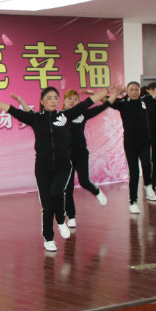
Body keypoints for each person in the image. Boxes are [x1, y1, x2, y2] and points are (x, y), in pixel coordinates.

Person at [0, 85, 116, 252]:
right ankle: (49, 238)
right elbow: (12, 110)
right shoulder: (36, 119)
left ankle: (61, 220)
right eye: (49, 98)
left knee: (57, 192)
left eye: (56, 98)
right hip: (43, 167)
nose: (53, 101)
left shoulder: (65, 116)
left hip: (63, 165)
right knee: (47, 205)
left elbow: (87, 103)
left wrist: (107, 91)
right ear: (42, 101)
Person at [58, 89, 109, 228]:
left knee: (84, 181)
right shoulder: (59, 116)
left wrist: (105, 96)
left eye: (75, 99)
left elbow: (101, 107)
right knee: (67, 188)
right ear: (64, 100)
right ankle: (71, 217)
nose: (72, 102)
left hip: (81, 153)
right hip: (65, 156)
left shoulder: (82, 114)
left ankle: (96, 191)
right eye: (69, 99)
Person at [106, 81, 156, 214]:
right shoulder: (123, 103)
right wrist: (116, 91)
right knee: (134, 171)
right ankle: (133, 202)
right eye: (131, 90)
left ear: (140, 91)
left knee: (147, 164)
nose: (134, 92)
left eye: (136, 90)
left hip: (145, 141)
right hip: (130, 143)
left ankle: (148, 187)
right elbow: (107, 100)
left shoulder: (144, 101)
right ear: (127, 91)